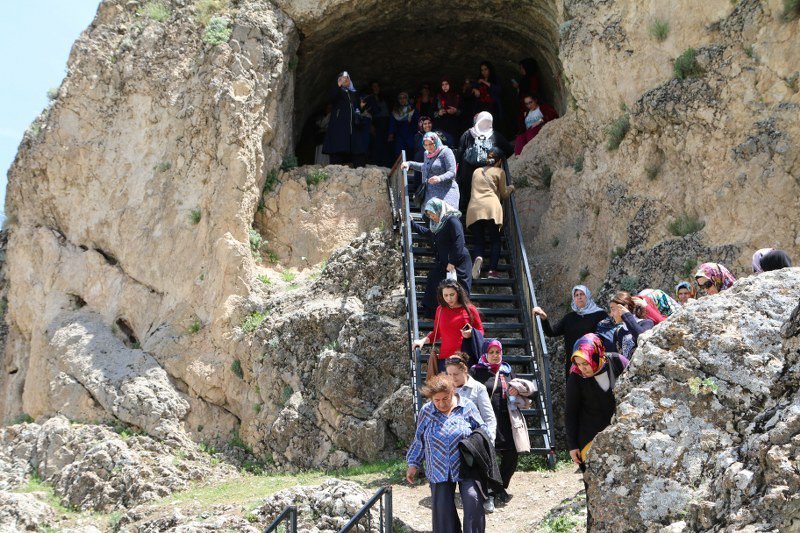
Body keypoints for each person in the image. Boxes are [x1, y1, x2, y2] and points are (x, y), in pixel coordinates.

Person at [406, 374, 487, 533]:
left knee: (473, 500)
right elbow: (419, 439)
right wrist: (413, 464)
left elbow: (482, 431)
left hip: (467, 465)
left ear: (453, 392)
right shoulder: (426, 411)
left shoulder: (467, 406)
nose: (441, 403)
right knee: (443, 510)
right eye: (437, 400)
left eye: (446, 398)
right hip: (438, 467)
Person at [564, 333, 629, 530]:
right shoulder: (576, 376)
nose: (582, 369)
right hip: (589, 439)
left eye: (585, 363)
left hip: (620, 434)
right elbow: (570, 412)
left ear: (597, 354)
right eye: (579, 363)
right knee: (594, 489)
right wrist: (572, 445)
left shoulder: (617, 362)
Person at [470, 340, 535, 512]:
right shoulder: (476, 371)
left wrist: (515, 391)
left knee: (511, 454)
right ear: (485, 353)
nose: (494, 355)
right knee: (487, 456)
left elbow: (515, 389)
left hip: (506, 419)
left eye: (497, 352)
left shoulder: (506, 370)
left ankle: (500, 486)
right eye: (491, 352)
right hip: (485, 420)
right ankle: (490, 493)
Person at [532, 285, 609, 377]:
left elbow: (605, 338)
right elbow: (551, 332)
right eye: (576, 295)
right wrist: (544, 318)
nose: (579, 297)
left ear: (587, 296)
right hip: (573, 364)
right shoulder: (569, 318)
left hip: (593, 363)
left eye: (582, 294)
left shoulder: (600, 314)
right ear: (573, 298)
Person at [466, 146, 515, 279]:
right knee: (495, 240)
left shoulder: (476, 171)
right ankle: (492, 271)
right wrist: (511, 188)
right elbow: (504, 194)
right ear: (499, 161)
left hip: (474, 209)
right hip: (491, 208)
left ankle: (479, 257)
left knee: (478, 241)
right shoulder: (499, 172)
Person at [413, 279, 483, 369]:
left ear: (458, 293)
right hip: (445, 359)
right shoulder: (440, 309)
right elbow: (436, 333)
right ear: (441, 296)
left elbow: (480, 331)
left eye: (452, 295)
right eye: (445, 295)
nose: (449, 298)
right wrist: (422, 341)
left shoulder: (470, 309)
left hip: (465, 359)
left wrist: (471, 333)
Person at [456, 112, 513, 212]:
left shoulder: (467, 134)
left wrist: (459, 173)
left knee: (470, 198)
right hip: (487, 173)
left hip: (468, 173)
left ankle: (469, 220)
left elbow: (460, 153)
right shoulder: (495, 135)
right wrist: (497, 159)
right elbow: (509, 150)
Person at [445, 352, 497, 446]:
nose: (452, 378)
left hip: (473, 443)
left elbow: (489, 418)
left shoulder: (478, 388)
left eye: (456, 374)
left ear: (465, 370)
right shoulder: (445, 389)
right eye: (449, 374)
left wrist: (489, 442)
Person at [402, 132, 459, 210]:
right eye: (426, 145)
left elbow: (452, 172)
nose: (429, 147)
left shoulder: (446, 152)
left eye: (431, 144)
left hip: (446, 193)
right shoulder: (427, 154)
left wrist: (440, 178)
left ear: (436, 141)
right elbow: (425, 167)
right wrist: (409, 164)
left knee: (445, 218)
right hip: (430, 195)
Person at [321, 71, 367, 167]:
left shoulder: (353, 93)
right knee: (339, 146)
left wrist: (360, 106)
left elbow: (355, 107)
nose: (346, 80)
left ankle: (358, 168)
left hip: (353, 126)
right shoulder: (337, 91)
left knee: (357, 148)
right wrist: (339, 84)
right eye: (343, 78)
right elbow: (331, 98)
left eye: (348, 78)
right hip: (340, 125)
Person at [608, 291, 655, 360]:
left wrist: (626, 315)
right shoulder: (619, 332)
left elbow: (642, 337)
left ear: (624, 307)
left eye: (613, 309)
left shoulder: (647, 323)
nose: (611, 314)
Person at [364, 81, 392, 166]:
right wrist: (371, 125)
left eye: (377, 86)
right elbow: (367, 113)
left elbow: (390, 111)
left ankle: (386, 164)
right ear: (371, 88)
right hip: (376, 123)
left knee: (386, 143)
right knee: (377, 143)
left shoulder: (385, 97)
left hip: (386, 122)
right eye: (374, 86)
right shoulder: (369, 99)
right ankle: (376, 163)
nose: (376, 88)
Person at [388, 92, 419, 159]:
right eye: (400, 98)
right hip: (399, 135)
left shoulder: (413, 110)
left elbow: (417, 122)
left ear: (407, 99)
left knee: (412, 150)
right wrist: (391, 133)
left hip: (411, 133)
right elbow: (392, 123)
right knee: (400, 152)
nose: (402, 100)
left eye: (404, 98)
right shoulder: (395, 111)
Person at [435, 78, 462, 147]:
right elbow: (431, 112)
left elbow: (464, 111)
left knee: (454, 145)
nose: (445, 86)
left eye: (446, 84)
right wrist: (439, 113)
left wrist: (456, 111)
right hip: (442, 126)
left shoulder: (457, 96)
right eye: (442, 85)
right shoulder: (438, 97)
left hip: (454, 125)